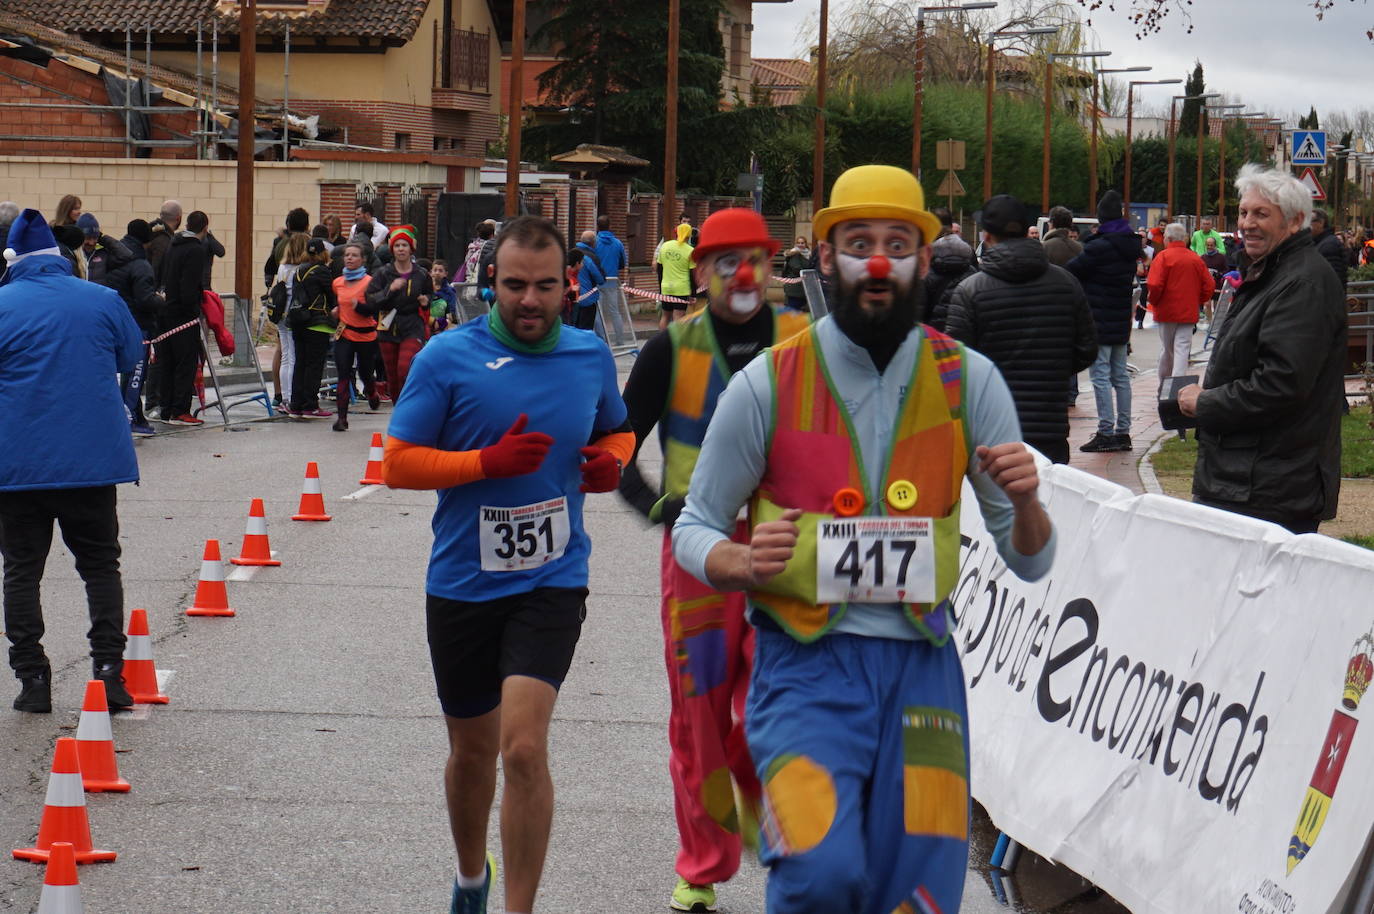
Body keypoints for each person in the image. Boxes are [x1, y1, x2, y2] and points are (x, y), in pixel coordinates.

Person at [671, 165, 1055, 914]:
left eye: (896, 243)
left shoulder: (970, 382)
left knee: (920, 898)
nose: (877, 262)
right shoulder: (767, 383)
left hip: (924, 676)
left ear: (921, 257)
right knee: (819, 874)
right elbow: (695, 526)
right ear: (824, 258)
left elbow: (1030, 558)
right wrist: (739, 561)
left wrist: (1028, 503)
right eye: (857, 242)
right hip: (804, 670)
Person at [380, 215, 634, 914]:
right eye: (515, 284)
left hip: (552, 578)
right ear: (491, 281)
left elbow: (617, 425)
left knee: (522, 750)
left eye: (545, 286)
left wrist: (613, 461)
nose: (529, 299)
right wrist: (484, 464)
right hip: (463, 581)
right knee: (472, 753)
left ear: (569, 287)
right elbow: (397, 463)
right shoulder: (447, 357)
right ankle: (470, 877)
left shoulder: (588, 356)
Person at [618, 208, 810, 914]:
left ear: (771, 266)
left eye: (754, 259)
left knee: (782, 705)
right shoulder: (670, 349)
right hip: (697, 565)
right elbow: (615, 445)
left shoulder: (803, 342)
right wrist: (659, 510)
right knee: (698, 717)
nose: (742, 275)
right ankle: (701, 868)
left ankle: (779, 832)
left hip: (785, 557)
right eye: (725, 261)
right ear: (699, 272)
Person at [0, 209, 144, 713]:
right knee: (101, 567)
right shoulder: (102, 299)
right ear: (62, 258)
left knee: (21, 570)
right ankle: (109, 674)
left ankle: (32, 678)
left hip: (18, 465)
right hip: (91, 462)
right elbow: (130, 358)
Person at [1179, 164, 1348, 535]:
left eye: (1261, 214)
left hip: (1268, 487)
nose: (1247, 223)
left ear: (1294, 221)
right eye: (1243, 212)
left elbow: (1281, 384)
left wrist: (1205, 403)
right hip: (1248, 480)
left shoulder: (1301, 282)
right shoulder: (1270, 272)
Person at [945, 195, 1097, 465]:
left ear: (987, 235)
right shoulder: (1065, 283)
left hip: (989, 426)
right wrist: (1052, 369)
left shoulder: (971, 290)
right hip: (1048, 423)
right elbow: (1086, 349)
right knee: (1046, 502)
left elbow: (955, 364)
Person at [1068, 190, 1141, 453]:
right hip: (1120, 320)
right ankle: (1123, 431)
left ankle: (1105, 431)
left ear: (1101, 218)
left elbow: (1071, 271)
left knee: (1100, 376)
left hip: (1097, 319)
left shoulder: (1098, 247)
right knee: (1120, 376)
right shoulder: (1130, 245)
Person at [366, 224, 432, 401]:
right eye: (397, 245)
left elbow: (429, 295)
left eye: (404, 245)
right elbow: (370, 299)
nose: (401, 249)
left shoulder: (422, 274)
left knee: (404, 369)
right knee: (392, 376)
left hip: (412, 324)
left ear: (412, 248)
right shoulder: (383, 273)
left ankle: (411, 405)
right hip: (388, 324)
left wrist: (426, 303)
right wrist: (390, 290)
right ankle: (399, 414)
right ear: (392, 249)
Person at [1146, 223, 1214, 392]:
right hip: (1188, 310)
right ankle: (1178, 388)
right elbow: (1209, 284)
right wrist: (1198, 300)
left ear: (1167, 239)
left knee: (1167, 350)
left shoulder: (1162, 257)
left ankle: (1164, 386)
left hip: (1166, 311)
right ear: (1184, 238)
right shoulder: (1195, 258)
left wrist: (1154, 301)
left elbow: (1154, 284)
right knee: (1183, 348)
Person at [157, 209, 210, 426]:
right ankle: (181, 410)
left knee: (168, 362)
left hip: (167, 311)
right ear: (205, 228)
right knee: (185, 363)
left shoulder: (173, 244)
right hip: (184, 315)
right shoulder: (196, 250)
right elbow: (189, 284)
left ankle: (167, 408)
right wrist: (194, 308)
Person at [114, 220, 164, 438]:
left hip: (117, 322)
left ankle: (129, 415)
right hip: (138, 325)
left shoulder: (114, 256)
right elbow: (145, 300)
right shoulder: (141, 264)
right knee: (135, 374)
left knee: (124, 373)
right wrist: (161, 300)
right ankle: (130, 418)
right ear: (146, 241)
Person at [330, 242, 380, 431]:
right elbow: (339, 303)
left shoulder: (370, 282)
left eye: (354, 255)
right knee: (343, 374)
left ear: (363, 259)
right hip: (345, 332)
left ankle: (372, 393)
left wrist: (357, 306)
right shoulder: (338, 282)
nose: (349, 258)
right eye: (347, 255)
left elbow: (374, 310)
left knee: (365, 373)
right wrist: (336, 310)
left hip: (366, 335)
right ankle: (341, 419)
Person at [287, 238, 337, 419]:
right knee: (314, 365)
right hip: (318, 324)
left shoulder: (298, 271)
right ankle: (310, 405)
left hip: (298, 322)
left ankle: (296, 405)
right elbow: (331, 298)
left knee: (300, 363)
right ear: (324, 252)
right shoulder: (323, 271)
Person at [271, 232, 311, 411]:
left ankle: (285, 397)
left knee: (286, 356)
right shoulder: (302, 269)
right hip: (295, 316)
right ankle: (292, 396)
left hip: (281, 315)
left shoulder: (283, 267)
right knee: (294, 357)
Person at [921, 233, 977, 332]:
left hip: (933, 332)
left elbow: (921, 308)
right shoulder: (971, 272)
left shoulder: (928, 274)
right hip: (964, 328)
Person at [595, 214, 630, 345]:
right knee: (615, 311)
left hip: (597, 282)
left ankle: (602, 339)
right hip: (612, 282)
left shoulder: (595, 242)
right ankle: (620, 339)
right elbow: (622, 263)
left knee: (598, 312)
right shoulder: (618, 243)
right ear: (610, 226)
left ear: (597, 226)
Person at [655, 221, 696, 330]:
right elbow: (693, 275)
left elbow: (659, 269)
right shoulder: (690, 251)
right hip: (681, 289)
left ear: (676, 232)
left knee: (665, 316)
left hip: (666, 287)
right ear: (689, 235)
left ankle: (662, 341)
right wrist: (693, 294)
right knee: (679, 317)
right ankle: (676, 343)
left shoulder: (665, 246)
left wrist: (660, 288)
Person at [572, 230, 605, 331]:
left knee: (573, 328)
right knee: (585, 330)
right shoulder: (591, 258)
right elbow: (600, 279)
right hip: (587, 300)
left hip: (572, 298)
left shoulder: (571, 253)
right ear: (593, 243)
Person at [1309, 208, 1349, 286]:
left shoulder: (1329, 245)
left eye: (1309, 222)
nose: (1306, 226)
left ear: (1321, 223)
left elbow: (1332, 279)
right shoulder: (1322, 243)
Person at [146, 199, 182, 281]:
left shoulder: (150, 231)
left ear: (160, 215)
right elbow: (156, 269)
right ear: (178, 218)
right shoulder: (164, 239)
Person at [781, 235, 812, 312]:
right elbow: (797, 269)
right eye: (798, 243)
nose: (800, 245)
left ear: (806, 244)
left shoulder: (808, 255)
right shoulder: (794, 254)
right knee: (791, 312)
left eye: (802, 243)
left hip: (802, 289)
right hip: (794, 289)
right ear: (795, 244)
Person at [430, 259, 457, 331]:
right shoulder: (425, 289)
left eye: (440, 271)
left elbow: (451, 312)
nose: (437, 273)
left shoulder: (450, 292)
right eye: (435, 270)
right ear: (431, 272)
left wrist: (444, 323)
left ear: (445, 274)